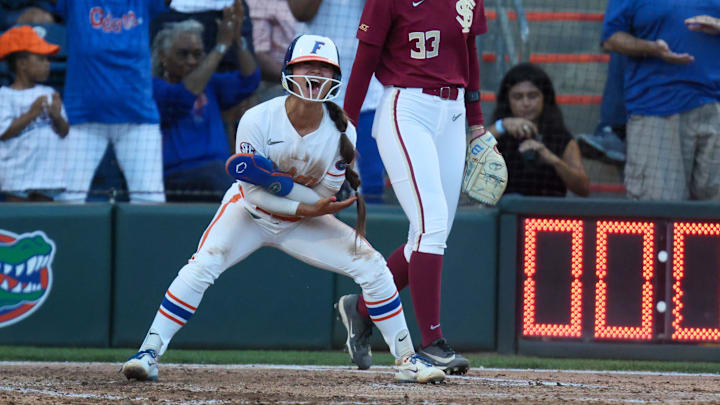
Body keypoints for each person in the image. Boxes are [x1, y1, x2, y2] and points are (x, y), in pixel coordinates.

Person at [121, 34, 445, 385]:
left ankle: (407, 359)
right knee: (204, 263)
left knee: (374, 267)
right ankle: (148, 352)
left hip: (304, 220)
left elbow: (322, 195)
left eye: (323, 68)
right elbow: (253, 194)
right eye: (307, 66)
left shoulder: (342, 132)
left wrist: (293, 196)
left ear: (334, 78)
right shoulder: (258, 118)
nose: (315, 74)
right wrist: (293, 199)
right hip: (249, 213)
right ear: (289, 71)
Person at [337, 0, 490, 374]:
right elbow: (365, 58)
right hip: (407, 107)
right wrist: (348, 127)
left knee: (431, 233)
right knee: (431, 226)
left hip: (453, 114)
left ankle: (360, 309)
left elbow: (468, 50)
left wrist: (477, 124)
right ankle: (431, 343)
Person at [49, 0, 171, 203]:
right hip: (83, 119)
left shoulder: (142, 3)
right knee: (68, 200)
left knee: (151, 201)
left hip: (138, 118)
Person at [602, 0, 720, 201]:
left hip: (715, 107)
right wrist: (652, 48)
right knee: (660, 211)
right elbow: (611, 38)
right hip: (656, 109)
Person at [152, 2, 261, 202]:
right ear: (163, 57)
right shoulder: (155, 88)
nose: (192, 60)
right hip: (179, 176)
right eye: (183, 54)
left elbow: (250, 80)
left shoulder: (211, 84)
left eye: (197, 54)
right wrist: (220, 47)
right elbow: (183, 97)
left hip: (218, 174)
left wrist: (238, 40)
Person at [288, 0, 387, 203]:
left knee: (370, 184)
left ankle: (365, 235)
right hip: (315, 89)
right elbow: (301, 12)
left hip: (368, 93)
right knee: (306, 179)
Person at [487, 63, 590, 197]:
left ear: (544, 98)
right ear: (507, 100)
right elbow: (464, 153)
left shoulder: (560, 136)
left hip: (548, 214)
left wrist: (551, 158)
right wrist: (501, 125)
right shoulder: (498, 133)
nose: (526, 103)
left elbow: (583, 189)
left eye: (533, 96)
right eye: (518, 97)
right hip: (504, 213)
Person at [0, 25, 69, 202]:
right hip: (16, 179)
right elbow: (4, 132)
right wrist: (32, 113)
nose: (48, 64)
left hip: (48, 177)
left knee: (47, 225)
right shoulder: (4, 96)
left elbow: (64, 131)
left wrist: (56, 116)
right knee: (16, 226)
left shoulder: (48, 92)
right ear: (22, 64)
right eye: (41, 59)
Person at [246, 0, 296, 101]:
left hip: (315, 75)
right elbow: (258, 55)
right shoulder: (259, 2)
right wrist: (295, 80)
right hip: (278, 85)